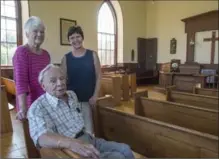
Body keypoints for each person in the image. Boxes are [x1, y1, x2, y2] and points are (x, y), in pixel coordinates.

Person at [27, 64, 134, 159]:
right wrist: (71, 143)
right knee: (119, 157)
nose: (60, 83)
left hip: (89, 139)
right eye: (53, 81)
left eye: (62, 78)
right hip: (71, 150)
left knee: (126, 149)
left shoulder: (72, 95)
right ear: (43, 86)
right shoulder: (37, 108)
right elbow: (41, 137)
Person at [60, 26, 101, 135]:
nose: (75, 40)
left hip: (88, 100)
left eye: (78, 36)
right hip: (72, 101)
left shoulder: (92, 55)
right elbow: (62, 81)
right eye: (72, 38)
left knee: (89, 131)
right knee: (74, 132)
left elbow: (99, 76)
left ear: (82, 38)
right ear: (69, 41)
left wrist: (95, 95)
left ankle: (89, 150)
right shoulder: (66, 58)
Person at [13, 16, 50, 120]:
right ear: (27, 33)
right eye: (35, 31)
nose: (39, 34)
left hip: (45, 103)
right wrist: (23, 109)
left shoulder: (46, 55)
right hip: (30, 104)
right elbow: (21, 82)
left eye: (42, 32)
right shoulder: (22, 52)